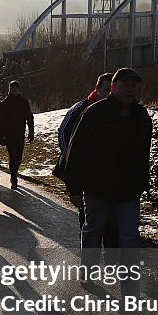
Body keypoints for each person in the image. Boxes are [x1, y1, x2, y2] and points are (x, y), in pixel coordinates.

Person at [63, 67, 152, 296]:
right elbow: (76, 150)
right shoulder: (94, 113)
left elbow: (143, 155)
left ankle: (130, 291)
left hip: (128, 191)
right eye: (124, 85)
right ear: (113, 87)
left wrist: (143, 183)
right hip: (97, 189)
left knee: (130, 238)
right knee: (93, 231)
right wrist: (74, 187)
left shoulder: (141, 117)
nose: (129, 90)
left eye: (133, 86)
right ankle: (89, 273)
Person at [55, 72, 117, 246]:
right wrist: (71, 160)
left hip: (108, 175)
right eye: (106, 90)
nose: (109, 94)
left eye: (112, 90)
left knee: (110, 223)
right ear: (97, 89)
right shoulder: (80, 109)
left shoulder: (119, 111)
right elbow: (63, 133)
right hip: (82, 172)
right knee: (88, 217)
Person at [0, 80, 34, 191]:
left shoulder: (24, 102)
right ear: (10, 90)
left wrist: (31, 132)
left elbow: (29, 118)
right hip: (9, 135)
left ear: (19, 89)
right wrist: (1, 136)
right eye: (13, 88)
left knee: (18, 157)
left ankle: (14, 172)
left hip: (20, 134)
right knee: (13, 156)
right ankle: (14, 177)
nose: (15, 90)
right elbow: (0, 121)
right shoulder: (5, 104)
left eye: (17, 88)